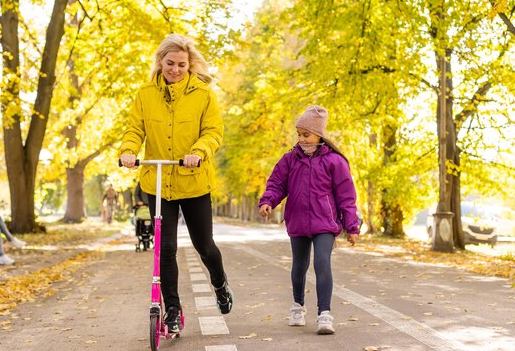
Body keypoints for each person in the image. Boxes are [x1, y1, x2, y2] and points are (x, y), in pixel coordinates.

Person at [119, 34, 233, 334]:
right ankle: (171, 309)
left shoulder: (203, 94)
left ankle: (219, 283)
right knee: (165, 248)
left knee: (204, 245)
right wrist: (128, 150)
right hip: (158, 182)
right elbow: (134, 129)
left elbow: (213, 132)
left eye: (182, 64)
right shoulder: (145, 94)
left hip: (194, 181)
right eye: (170, 63)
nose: (176, 70)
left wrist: (199, 152)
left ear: (190, 64)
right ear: (160, 61)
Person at [258, 105, 360, 335]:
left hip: (325, 222)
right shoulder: (289, 160)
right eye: (299, 134)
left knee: (322, 262)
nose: (301, 139)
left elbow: (346, 195)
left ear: (319, 135)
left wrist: (352, 226)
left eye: (306, 134)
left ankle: (325, 314)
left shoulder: (335, 162)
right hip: (298, 221)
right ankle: (297, 306)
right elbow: (276, 184)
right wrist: (268, 201)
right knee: (299, 266)